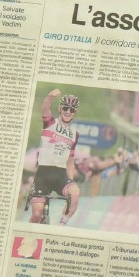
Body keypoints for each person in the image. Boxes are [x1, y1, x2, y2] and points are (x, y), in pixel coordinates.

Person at [30, 88, 81, 224]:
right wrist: (49, 96)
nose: (68, 112)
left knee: (75, 193)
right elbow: (45, 109)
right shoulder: (50, 123)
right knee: (37, 214)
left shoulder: (74, 134)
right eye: (65, 108)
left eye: (72, 110)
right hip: (43, 174)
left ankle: (61, 225)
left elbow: (70, 161)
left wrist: (70, 181)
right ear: (60, 108)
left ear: (75, 113)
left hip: (60, 175)